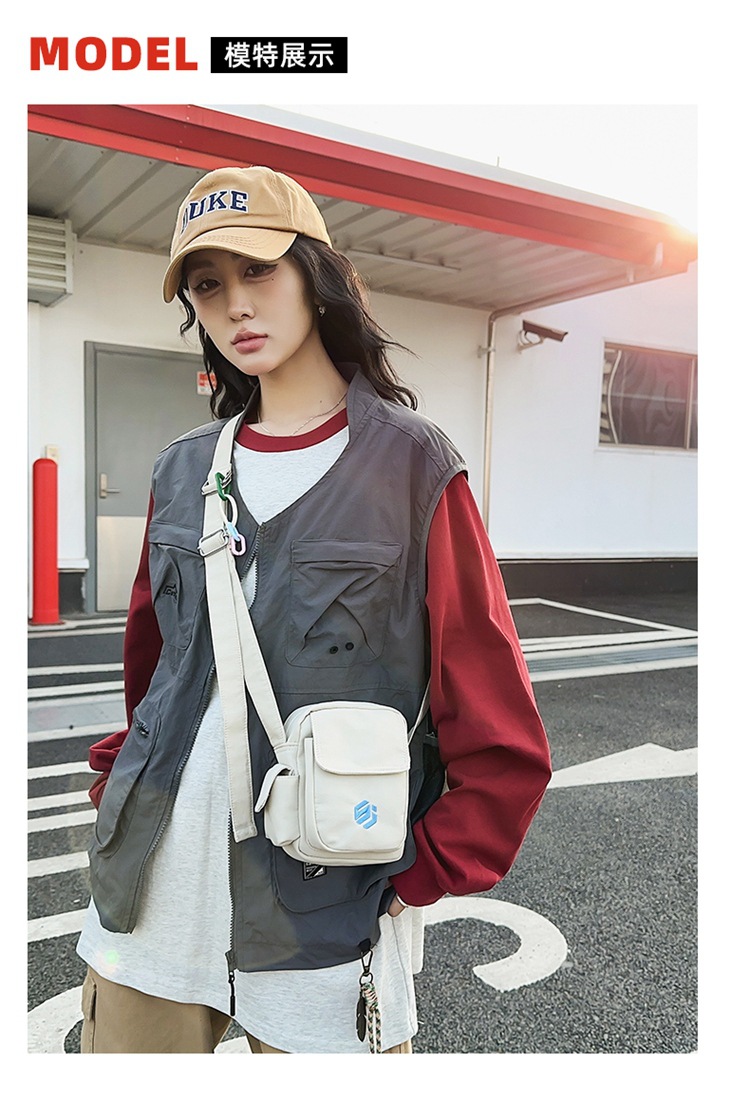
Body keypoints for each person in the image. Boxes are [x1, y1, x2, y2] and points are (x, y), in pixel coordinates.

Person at [76, 165, 552, 1054]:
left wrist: (420, 870)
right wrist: (117, 788)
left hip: (325, 905)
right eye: (208, 285)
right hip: (150, 900)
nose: (235, 305)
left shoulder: (412, 467)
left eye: (259, 270)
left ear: (315, 274)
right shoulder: (183, 470)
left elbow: (499, 722)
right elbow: (155, 672)